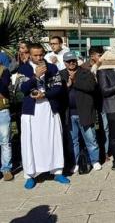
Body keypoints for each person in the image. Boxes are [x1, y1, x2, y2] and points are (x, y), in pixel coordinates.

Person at [19, 43, 69, 189]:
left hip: (49, 108)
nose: (39, 57)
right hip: (31, 111)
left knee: (53, 139)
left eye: (41, 54)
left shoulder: (52, 68)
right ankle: (30, 174)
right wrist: (35, 76)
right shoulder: (23, 69)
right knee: (30, 142)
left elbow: (58, 88)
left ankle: (57, 171)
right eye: (35, 55)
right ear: (29, 54)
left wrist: (45, 94)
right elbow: (21, 89)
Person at [59, 52, 101, 173]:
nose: (71, 63)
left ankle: (95, 160)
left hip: (84, 111)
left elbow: (91, 87)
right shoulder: (61, 74)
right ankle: (75, 162)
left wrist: (74, 81)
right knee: (73, 141)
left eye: (73, 60)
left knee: (90, 138)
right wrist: (67, 85)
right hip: (69, 114)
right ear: (64, 63)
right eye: (68, 61)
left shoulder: (85, 72)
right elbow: (58, 92)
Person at [0, 62, 12, 181]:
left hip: (2, 110)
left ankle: (6, 169)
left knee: (5, 141)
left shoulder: (4, 70)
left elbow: (3, 88)